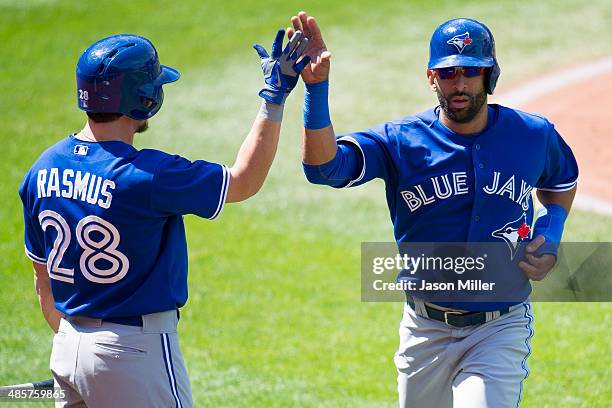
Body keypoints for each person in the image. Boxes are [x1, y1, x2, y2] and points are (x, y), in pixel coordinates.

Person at [290, 12, 578, 407]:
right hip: (424, 329)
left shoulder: (532, 134)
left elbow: (560, 184)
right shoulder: (400, 141)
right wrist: (316, 89)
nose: (459, 84)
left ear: (489, 75)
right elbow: (325, 169)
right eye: (447, 73)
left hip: (499, 328)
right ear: (430, 77)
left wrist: (554, 230)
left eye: (470, 71)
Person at [18, 30, 310, 407]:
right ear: (145, 99)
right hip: (134, 354)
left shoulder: (41, 169)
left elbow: (43, 281)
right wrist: (274, 97)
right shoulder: (149, 174)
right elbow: (244, 180)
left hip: (68, 345)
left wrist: (81, 350)